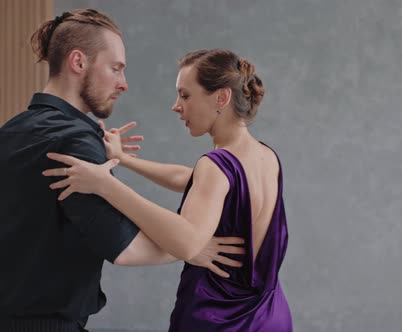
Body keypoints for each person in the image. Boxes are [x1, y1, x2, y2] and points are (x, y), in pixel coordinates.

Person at [0, 10, 243, 332]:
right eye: (115, 68)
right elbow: (127, 249)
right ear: (78, 62)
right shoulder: (73, 141)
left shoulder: (11, 131)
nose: (123, 84)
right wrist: (193, 246)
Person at [43, 49, 293, 331]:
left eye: (185, 95)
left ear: (221, 98)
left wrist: (106, 185)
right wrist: (124, 160)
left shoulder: (216, 165)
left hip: (219, 319)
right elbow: (191, 179)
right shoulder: (264, 156)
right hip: (271, 316)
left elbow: (187, 243)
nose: (176, 105)